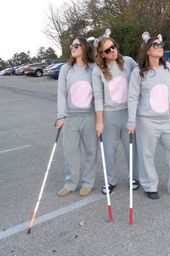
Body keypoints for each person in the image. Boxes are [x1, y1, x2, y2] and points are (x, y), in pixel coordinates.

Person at [127, 32, 170, 200]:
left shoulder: (168, 68)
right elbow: (133, 97)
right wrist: (131, 120)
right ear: (148, 50)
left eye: (161, 45)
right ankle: (149, 186)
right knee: (146, 154)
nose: (160, 48)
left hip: (167, 120)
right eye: (155, 45)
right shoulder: (138, 72)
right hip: (146, 121)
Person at [92, 29, 139, 194]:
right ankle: (110, 180)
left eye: (113, 47)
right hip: (109, 115)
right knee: (109, 151)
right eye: (107, 50)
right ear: (102, 54)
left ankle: (134, 177)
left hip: (128, 112)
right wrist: (99, 121)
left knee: (131, 148)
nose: (112, 51)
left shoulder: (128, 61)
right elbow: (98, 97)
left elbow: (141, 76)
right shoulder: (98, 70)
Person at [56, 36, 98, 197]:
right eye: (71, 45)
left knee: (91, 151)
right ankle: (70, 183)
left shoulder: (93, 68)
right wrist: (60, 116)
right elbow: (61, 93)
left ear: (84, 48)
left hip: (90, 116)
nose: (72, 48)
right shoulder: (66, 69)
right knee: (70, 152)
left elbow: (99, 92)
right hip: (70, 117)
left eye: (76, 45)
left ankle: (88, 182)